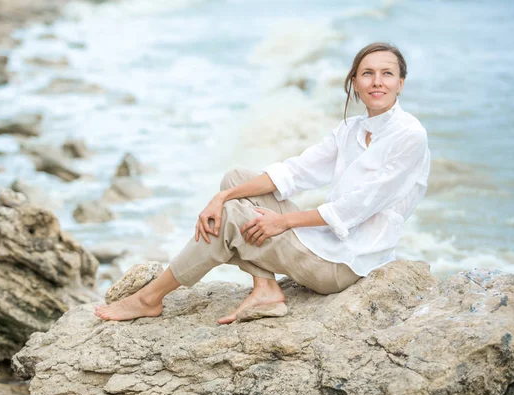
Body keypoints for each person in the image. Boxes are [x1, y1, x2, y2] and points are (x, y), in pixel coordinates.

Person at [95, 42, 431, 324]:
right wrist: (222, 194)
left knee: (231, 219)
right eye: (367, 73)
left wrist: (281, 221)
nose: (377, 82)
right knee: (236, 179)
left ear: (401, 82)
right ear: (354, 82)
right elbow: (296, 171)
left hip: (347, 263)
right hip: (327, 242)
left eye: (387, 73)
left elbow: (357, 206)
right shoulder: (352, 129)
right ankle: (265, 288)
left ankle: (149, 298)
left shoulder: (409, 135)